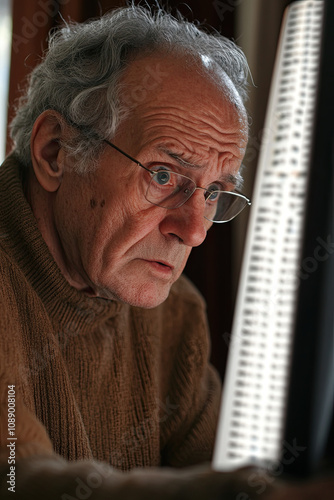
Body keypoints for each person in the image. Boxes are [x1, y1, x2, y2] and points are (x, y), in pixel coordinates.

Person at [2, 4, 331, 499]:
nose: (195, 231)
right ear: (56, 152)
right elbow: (18, 481)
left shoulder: (176, 316)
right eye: (163, 175)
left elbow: (213, 468)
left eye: (214, 192)